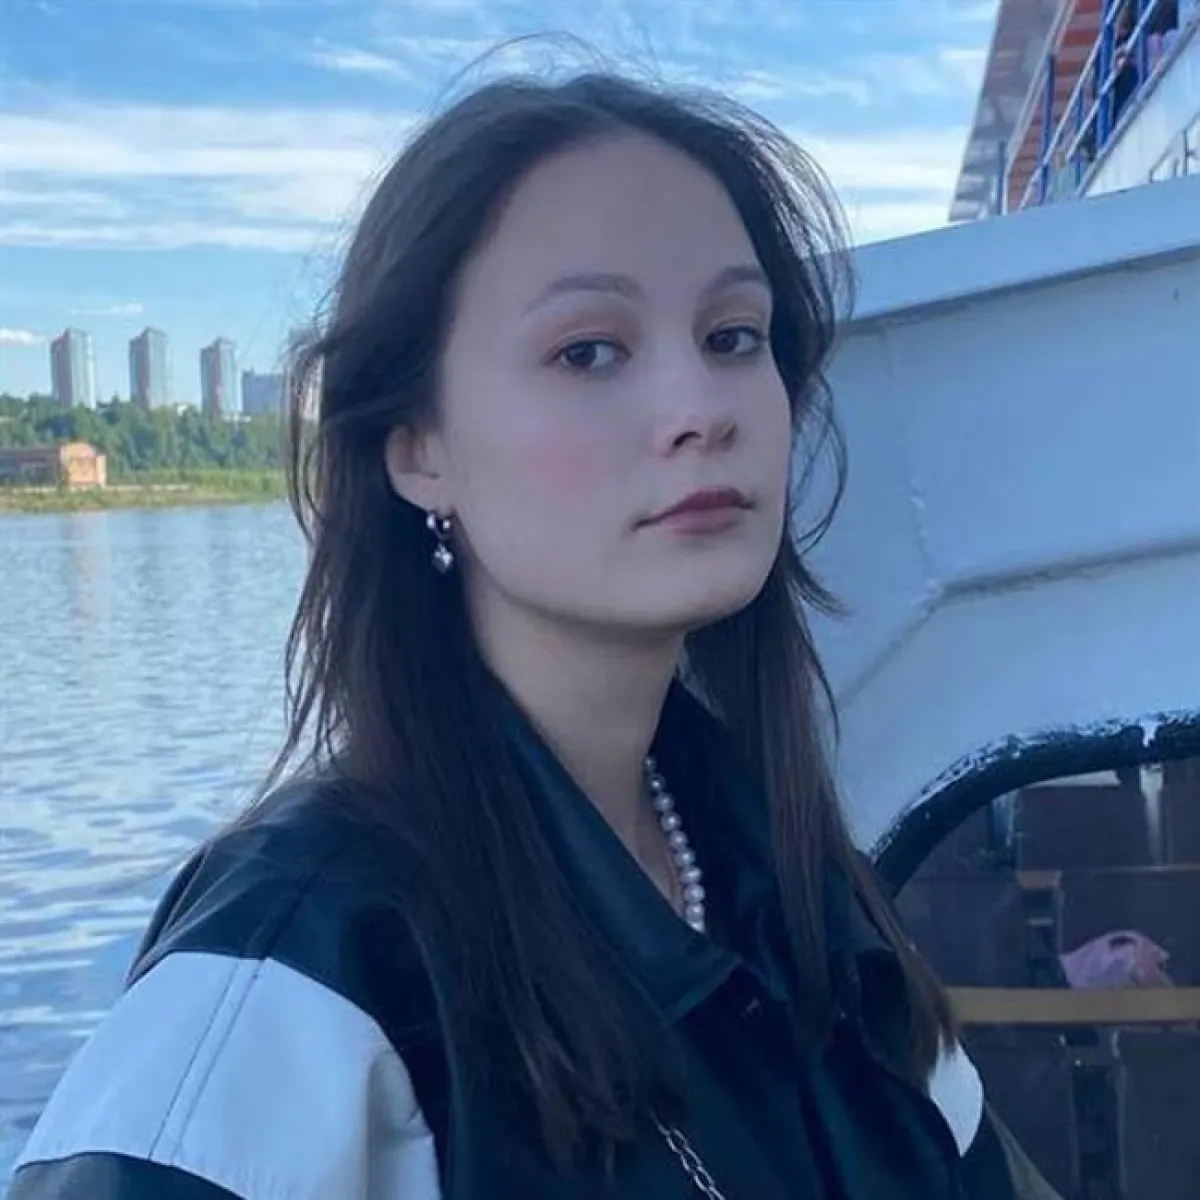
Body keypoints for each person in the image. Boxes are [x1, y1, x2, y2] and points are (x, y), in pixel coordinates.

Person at [9, 70, 1054, 1199]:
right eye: (588, 351)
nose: (700, 407)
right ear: (418, 450)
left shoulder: (795, 890)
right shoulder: (302, 964)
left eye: (733, 335)